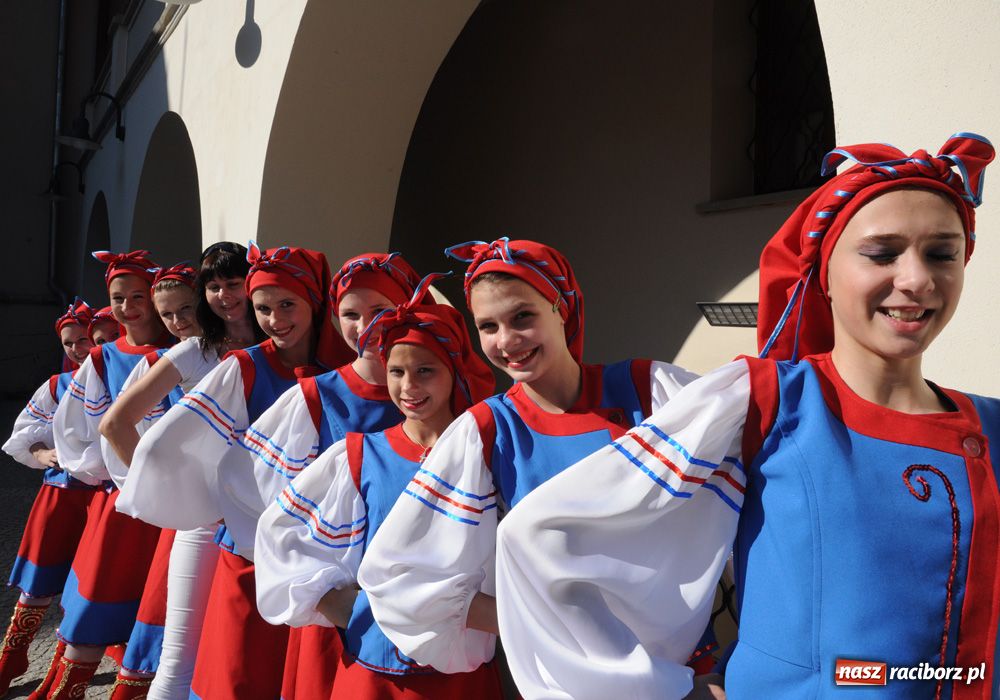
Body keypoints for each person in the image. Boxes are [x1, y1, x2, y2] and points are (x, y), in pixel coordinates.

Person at [492, 133, 998, 700]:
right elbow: (540, 538)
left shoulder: (993, 425)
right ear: (823, 272)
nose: (917, 280)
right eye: (882, 253)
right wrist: (664, 688)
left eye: (942, 253)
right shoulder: (760, 401)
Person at [356, 239, 706, 678]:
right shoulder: (485, 431)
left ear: (562, 307)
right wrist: (546, 627)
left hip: (687, 663)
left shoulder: (649, 391)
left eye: (522, 317)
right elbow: (403, 577)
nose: (507, 341)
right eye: (488, 326)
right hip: (572, 680)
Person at [127, 242, 355, 700]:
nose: (274, 319)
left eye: (286, 304)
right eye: (264, 307)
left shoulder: (348, 372)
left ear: (315, 301)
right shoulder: (238, 365)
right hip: (244, 543)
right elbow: (155, 444)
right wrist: (193, 502)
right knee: (214, 670)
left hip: (321, 555)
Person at [256, 283, 502, 698]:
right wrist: (360, 611)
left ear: (454, 371)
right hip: (375, 670)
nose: (408, 387)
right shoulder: (360, 453)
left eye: (425, 370)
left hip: (462, 673)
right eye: (397, 372)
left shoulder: (489, 452)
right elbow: (281, 537)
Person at [226, 252, 421, 700]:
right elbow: (254, 495)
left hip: (418, 600)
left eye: (380, 311)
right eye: (351, 314)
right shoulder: (316, 396)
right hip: (341, 605)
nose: (366, 326)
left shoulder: (444, 390)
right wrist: (316, 584)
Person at [103, 244, 260, 699]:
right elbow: (115, 424)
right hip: (208, 520)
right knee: (178, 659)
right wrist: (171, 494)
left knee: (248, 659)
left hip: (272, 519)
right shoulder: (195, 351)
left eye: (234, 283)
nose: (225, 295)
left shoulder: (286, 347)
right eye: (213, 286)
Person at [38, 250, 171, 699]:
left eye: (139, 296)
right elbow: (75, 431)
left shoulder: (182, 351)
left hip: (173, 509)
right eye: (119, 297)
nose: (129, 307)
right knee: (95, 603)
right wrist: (108, 474)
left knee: (156, 610)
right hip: (120, 501)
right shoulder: (103, 358)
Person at [0, 300, 100, 695]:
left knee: (86, 583)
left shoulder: (125, 378)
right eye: (69, 343)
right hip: (60, 493)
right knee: (39, 576)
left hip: (104, 500)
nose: (78, 349)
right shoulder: (58, 386)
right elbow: (23, 434)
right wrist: (43, 454)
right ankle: (14, 653)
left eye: (85, 339)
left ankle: (65, 661)